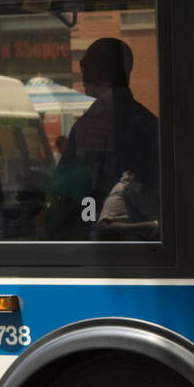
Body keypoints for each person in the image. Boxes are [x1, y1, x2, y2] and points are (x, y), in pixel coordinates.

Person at [45, 38, 159, 239]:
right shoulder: (148, 122)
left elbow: (66, 192)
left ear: (105, 71)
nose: (81, 68)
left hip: (101, 238)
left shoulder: (94, 122)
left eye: (88, 63)